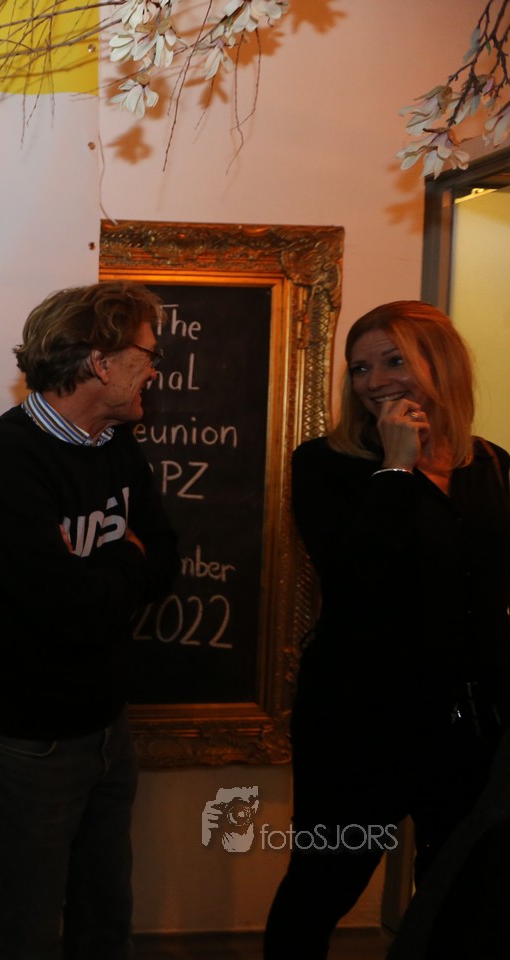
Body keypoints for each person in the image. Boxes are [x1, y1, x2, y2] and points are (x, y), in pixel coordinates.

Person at [264, 301, 510, 958]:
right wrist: (397, 468)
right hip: (359, 722)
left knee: (458, 890)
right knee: (325, 881)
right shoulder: (324, 464)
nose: (373, 381)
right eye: (360, 368)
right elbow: (354, 578)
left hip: (469, 727)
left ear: (442, 363)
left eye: (393, 360)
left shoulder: (492, 466)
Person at [0, 281, 178, 959]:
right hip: (31, 742)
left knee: (105, 920)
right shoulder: (5, 459)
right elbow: (67, 610)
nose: (155, 369)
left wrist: (105, 572)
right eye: (147, 353)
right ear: (100, 362)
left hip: (108, 725)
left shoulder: (115, 442)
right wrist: (125, 557)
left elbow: (167, 558)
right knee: (24, 932)